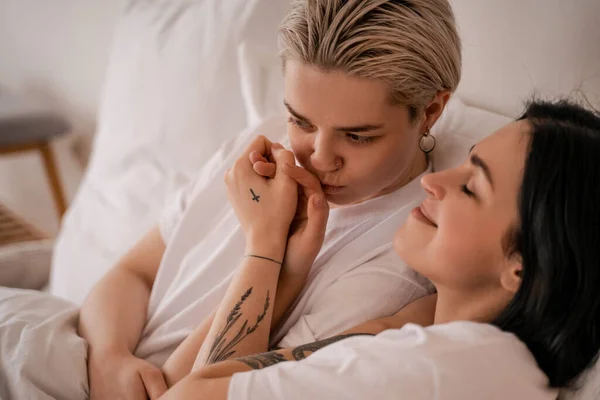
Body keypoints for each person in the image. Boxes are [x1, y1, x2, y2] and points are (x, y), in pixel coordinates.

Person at [78, 0, 462, 398]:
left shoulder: (397, 263)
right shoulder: (256, 150)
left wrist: (266, 248)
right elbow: (133, 271)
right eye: (301, 121)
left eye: (358, 136)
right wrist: (108, 356)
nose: (319, 157)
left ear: (431, 109)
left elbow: (195, 390)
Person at [158, 99, 600, 400]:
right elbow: (192, 380)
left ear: (522, 269)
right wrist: (282, 259)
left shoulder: (448, 367)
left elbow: (187, 393)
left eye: (470, 186)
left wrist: (265, 244)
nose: (432, 181)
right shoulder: (437, 335)